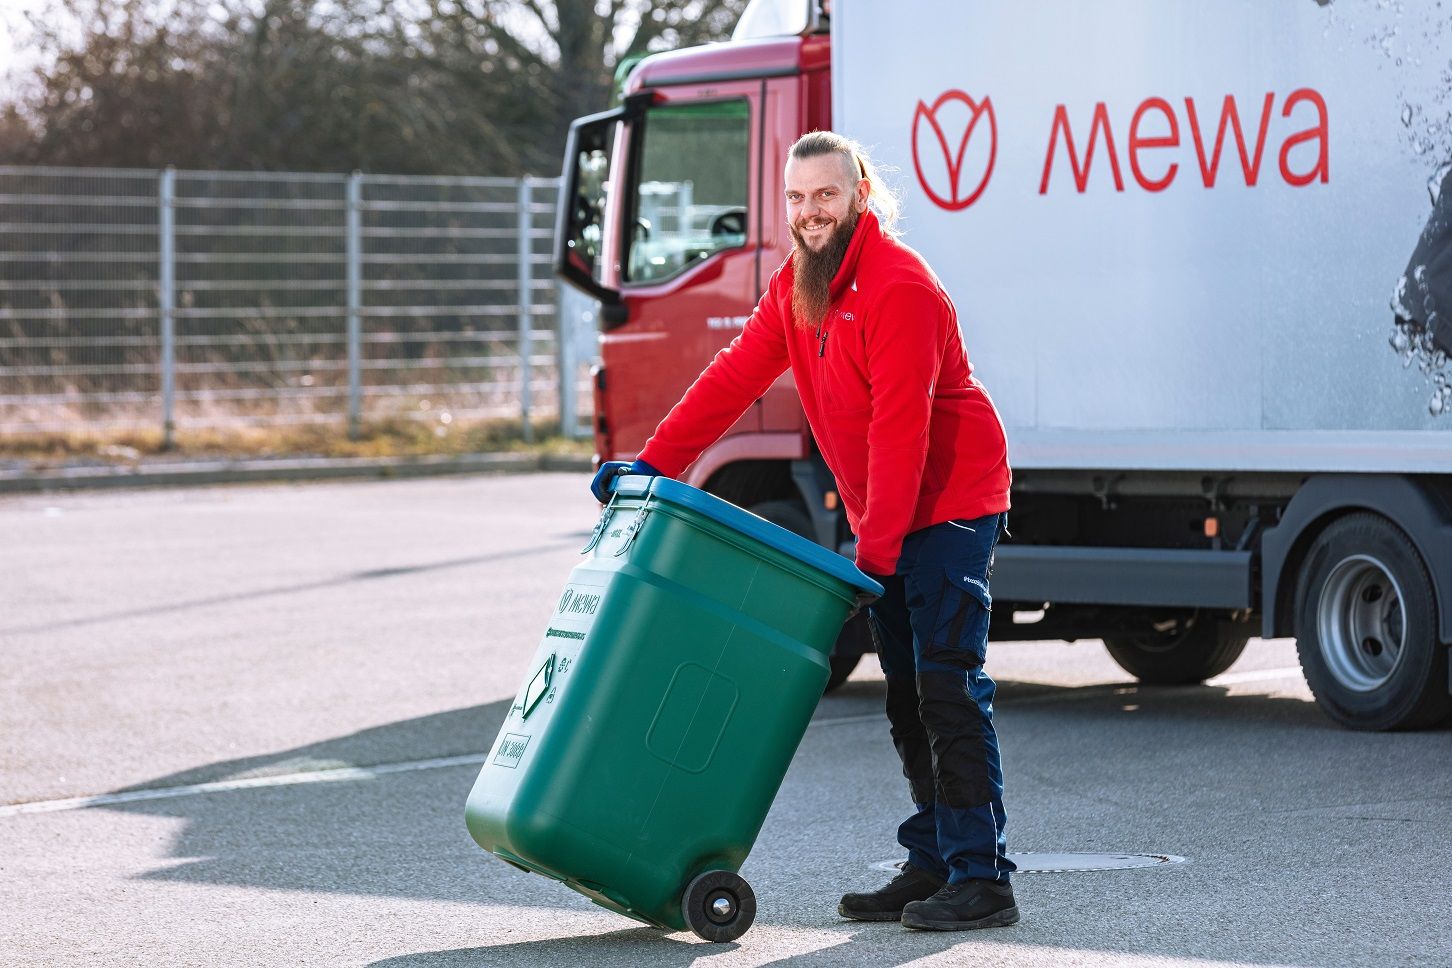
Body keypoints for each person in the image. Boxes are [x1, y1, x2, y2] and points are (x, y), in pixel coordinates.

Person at [589, 130, 1017, 932]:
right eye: (796, 198)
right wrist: (652, 463)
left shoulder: (899, 287)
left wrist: (874, 556)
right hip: (886, 509)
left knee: (947, 685)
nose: (810, 212)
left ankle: (983, 877)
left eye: (826, 194)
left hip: (951, 502)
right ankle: (933, 860)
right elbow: (734, 377)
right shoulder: (798, 284)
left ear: (860, 194)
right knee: (905, 695)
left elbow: (901, 430)